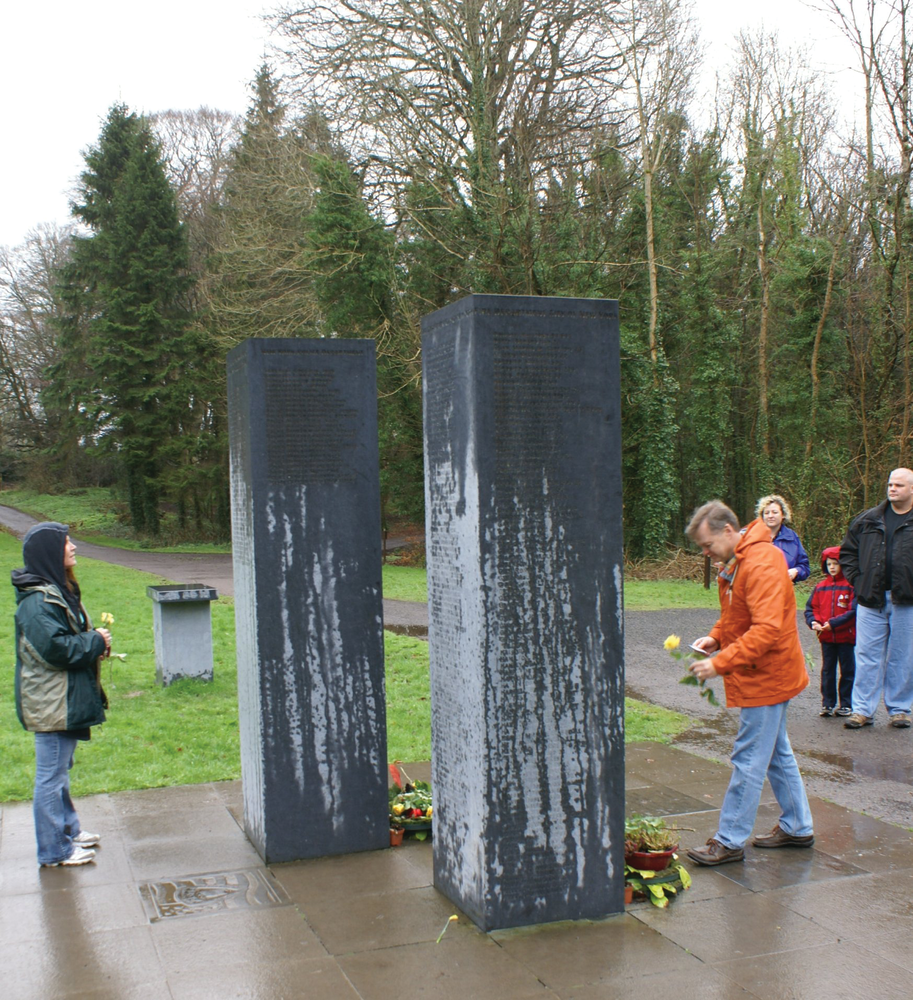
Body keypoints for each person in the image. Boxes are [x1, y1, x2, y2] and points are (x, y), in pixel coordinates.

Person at [685, 500, 814, 866]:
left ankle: (729, 840)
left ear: (729, 531)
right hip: (764, 672)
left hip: (768, 675)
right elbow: (737, 613)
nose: (706, 554)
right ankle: (798, 826)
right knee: (774, 752)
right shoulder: (741, 558)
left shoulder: (759, 563)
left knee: (750, 756)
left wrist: (719, 664)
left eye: (708, 545)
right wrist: (716, 637)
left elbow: (766, 630)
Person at [12, 522, 111, 867]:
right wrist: (95, 640)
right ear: (50, 553)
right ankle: (55, 850)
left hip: (61, 699)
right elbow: (57, 650)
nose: (74, 547)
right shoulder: (37, 602)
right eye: (67, 543)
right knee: (51, 777)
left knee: (59, 772)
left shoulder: (55, 591)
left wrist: (94, 644)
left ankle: (68, 830)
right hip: (51, 703)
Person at [839, 468, 913, 729]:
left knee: (903, 657)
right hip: (871, 599)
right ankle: (862, 710)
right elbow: (847, 553)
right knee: (866, 656)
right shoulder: (867, 520)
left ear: (912, 489)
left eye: (899, 485)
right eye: (890, 484)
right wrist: (859, 581)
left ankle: (900, 709)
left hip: (907, 601)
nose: (892, 488)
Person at [804, 547, 856, 717]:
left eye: (836, 563)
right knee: (827, 670)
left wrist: (833, 624)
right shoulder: (820, 587)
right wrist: (814, 622)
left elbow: (853, 612)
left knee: (847, 670)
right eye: (829, 564)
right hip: (826, 637)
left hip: (846, 637)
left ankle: (846, 704)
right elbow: (811, 608)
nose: (832, 567)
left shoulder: (850, 586)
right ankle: (827, 703)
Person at [756, 494, 810, 583]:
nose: (770, 516)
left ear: (783, 515)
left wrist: (796, 571)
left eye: (775, 512)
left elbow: (805, 567)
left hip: (783, 588)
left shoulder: (792, 537)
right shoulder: (753, 537)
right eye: (766, 513)